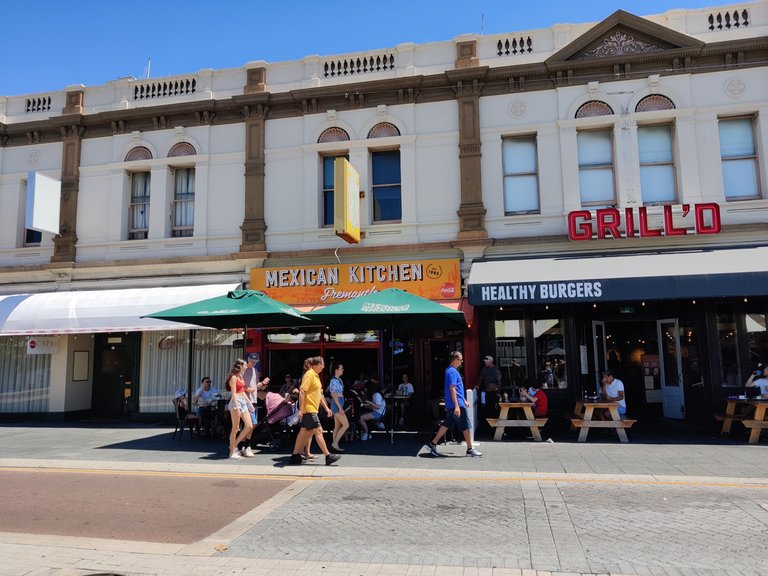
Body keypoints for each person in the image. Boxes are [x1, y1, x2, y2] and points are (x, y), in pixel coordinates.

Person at [427, 351, 483, 458]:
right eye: (461, 360)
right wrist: (457, 405)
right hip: (456, 405)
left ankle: (433, 443)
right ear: (456, 359)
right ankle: (470, 449)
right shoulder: (452, 372)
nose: (462, 362)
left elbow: (457, 389)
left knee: (447, 424)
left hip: (453, 404)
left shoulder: (449, 370)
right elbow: (452, 388)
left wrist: (464, 399)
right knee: (466, 426)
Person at [289, 356, 340, 466]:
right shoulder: (309, 375)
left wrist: (326, 408)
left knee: (304, 432)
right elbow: (302, 391)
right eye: (322, 364)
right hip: (309, 409)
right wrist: (302, 409)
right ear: (317, 365)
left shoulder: (316, 376)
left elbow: (320, 394)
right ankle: (328, 456)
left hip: (312, 409)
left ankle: (294, 456)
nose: (323, 366)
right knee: (318, 431)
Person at [226, 359, 255, 459]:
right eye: (245, 365)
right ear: (240, 366)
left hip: (242, 401)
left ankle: (233, 446)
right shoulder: (234, 377)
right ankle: (232, 452)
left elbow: (242, 391)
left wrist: (249, 403)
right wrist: (236, 406)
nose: (247, 366)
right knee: (236, 428)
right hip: (236, 402)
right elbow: (233, 393)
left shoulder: (241, 377)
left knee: (249, 426)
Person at [328, 362, 349, 452]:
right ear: (336, 370)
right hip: (337, 404)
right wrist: (340, 408)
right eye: (341, 368)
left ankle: (335, 445)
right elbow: (334, 395)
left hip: (338, 403)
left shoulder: (339, 380)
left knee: (337, 426)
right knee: (346, 425)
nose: (343, 370)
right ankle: (335, 443)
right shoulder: (334, 381)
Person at [478, 355, 503, 422]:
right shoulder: (484, 369)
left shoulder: (496, 369)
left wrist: (498, 391)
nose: (485, 363)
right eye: (485, 362)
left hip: (494, 391)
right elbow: (481, 378)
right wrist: (478, 385)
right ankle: (487, 422)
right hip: (485, 391)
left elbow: (499, 380)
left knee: (495, 407)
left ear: (491, 362)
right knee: (485, 406)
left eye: (487, 362)